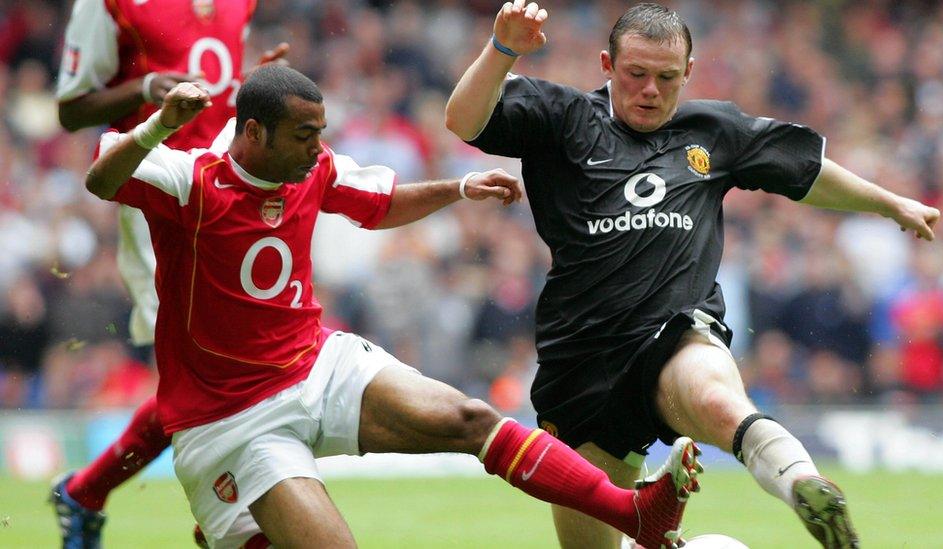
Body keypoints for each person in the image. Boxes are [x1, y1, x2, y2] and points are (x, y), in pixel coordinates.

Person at [82, 64, 705, 549]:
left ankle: (635, 515)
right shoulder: (189, 180)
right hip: (233, 418)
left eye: (319, 134)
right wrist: (159, 124)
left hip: (316, 365)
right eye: (303, 136)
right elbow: (101, 179)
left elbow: (380, 205)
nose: (315, 149)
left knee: (470, 418)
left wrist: (459, 187)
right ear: (253, 133)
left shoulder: (312, 168)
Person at [444, 2, 941, 549]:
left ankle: (802, 482)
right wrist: (503, 48)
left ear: (689, 73)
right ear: (607, 64)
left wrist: (888, 203)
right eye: (636, 74)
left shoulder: (713, 129)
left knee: (710, 393)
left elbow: (806, 173)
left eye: (666, 77)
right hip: (578, 365)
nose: (651, 90)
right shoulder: (560, 116)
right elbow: (463, 119)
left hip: (672, 332)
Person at [50, 1, 287, 547]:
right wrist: (145, 87)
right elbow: (69, 111)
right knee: (209, 366)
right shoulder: (110, 5)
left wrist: (247, 84)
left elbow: (215, 99)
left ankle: (88, 492)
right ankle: (226, 518)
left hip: (232, 196)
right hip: (161, 195)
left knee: (224, 365)